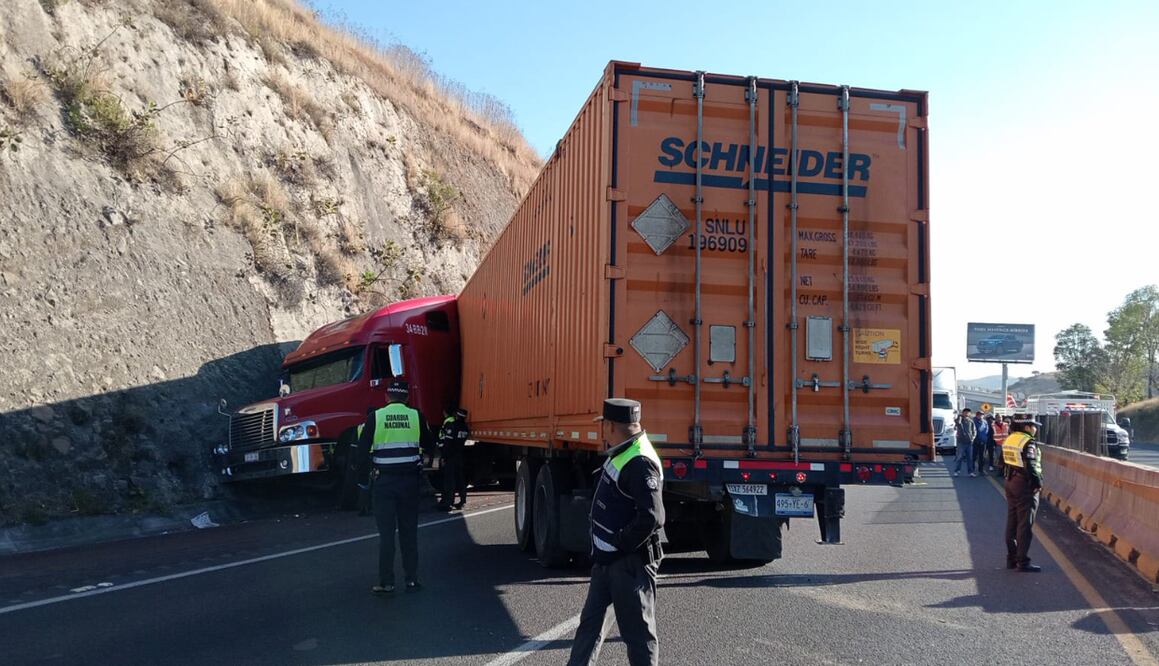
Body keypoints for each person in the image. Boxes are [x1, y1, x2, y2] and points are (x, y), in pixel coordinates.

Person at [568, 398, 665, 666]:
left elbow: (653, 517)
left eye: (603, 425)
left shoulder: (640, 461)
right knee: (589, 627)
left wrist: (621, 544)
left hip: (628, 563)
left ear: (611, 425)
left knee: (638, 636)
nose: (602, 430)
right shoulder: (625, 452)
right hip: (608, 560)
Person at [359, 379, 434, 595]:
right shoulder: (416, 416)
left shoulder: (376, 417)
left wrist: (364, 479)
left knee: (387, 535)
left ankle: (386, 582)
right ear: (407, 398)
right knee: (409, 533)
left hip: (384, 483)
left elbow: (362, 451)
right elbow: (429, 444)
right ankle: (411, 579)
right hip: (410, 483)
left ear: (387, 397)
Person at [1003, 416, 1044, 572]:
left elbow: (1000, 462)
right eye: (1033, 426)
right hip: (1024, 485)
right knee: (1025, 524)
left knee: (1012, 521)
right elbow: (1031, 465)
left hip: (1009, 481)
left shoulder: (1010, 439)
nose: (1035, 429)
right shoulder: (1028, 442)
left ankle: (1011, 559)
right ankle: (1023, 562)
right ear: (1026, 427)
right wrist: (1037, 484)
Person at [436, 407, 470, 511]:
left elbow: (448, 443)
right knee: (460, 479)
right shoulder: (465, 428)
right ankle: (462, 500)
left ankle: (448, 503)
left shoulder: (453, 426)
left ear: (457, 415)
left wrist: (444, 457)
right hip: (459, 456)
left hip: (451, 456)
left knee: (449, 481)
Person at [952, 408, 976, 477]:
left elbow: (974, 431)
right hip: (961, 442)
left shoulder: (971, 421)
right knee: (959, 457)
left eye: (968, 412)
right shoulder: (959, 420)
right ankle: (957, 471)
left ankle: (970, 472)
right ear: (963, 413)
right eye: (965, 412)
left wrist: (973, 438)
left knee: (970, 458)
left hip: (969, 443)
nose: (966, 413)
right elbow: (957, 423)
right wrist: (959, 416)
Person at [972, 411, 990, 477]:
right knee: (973, 456)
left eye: (982, 415)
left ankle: (981, 470)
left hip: (983, 441)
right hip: (975, 441)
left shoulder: (985, 422)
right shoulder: (973, 421)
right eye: (979, 415)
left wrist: (984, 439)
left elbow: (986, 431)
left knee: (982, 457)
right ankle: (972, 470)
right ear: (976, 415)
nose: (980, 416)